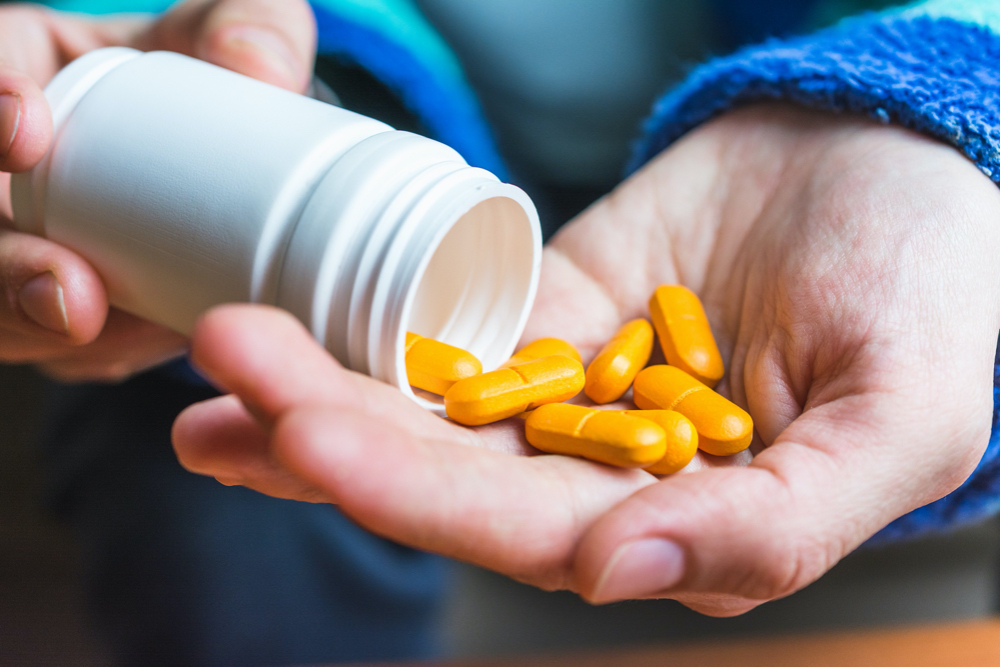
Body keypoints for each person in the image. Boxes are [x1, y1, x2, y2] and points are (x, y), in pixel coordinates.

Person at [1, 0, 998, 663]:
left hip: (789, 108)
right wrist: (285, 78)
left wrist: (930, 103)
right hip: (390, 114)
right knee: (209, 491)